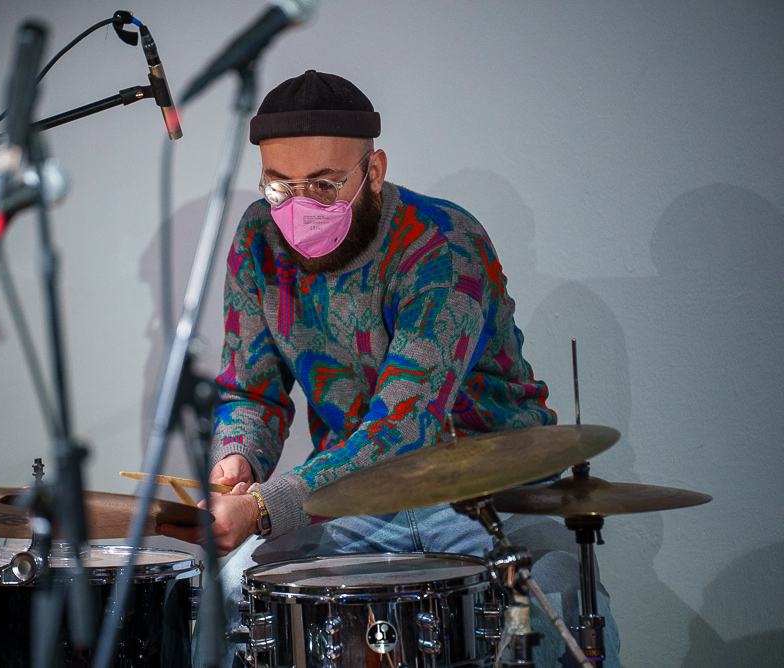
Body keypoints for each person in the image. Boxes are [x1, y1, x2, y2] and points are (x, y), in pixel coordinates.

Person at [158, 70, 620, 667]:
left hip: (494, 495)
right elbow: (251, 391)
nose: (299, 208)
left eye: (324, 185)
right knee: (224, 603)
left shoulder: (443, 242)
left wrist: (264, 508)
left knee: (562, 606)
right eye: (279, 186)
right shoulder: (258, 239)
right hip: (357, 501)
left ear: (373, 171)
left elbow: (404, 427)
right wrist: (238, 459)